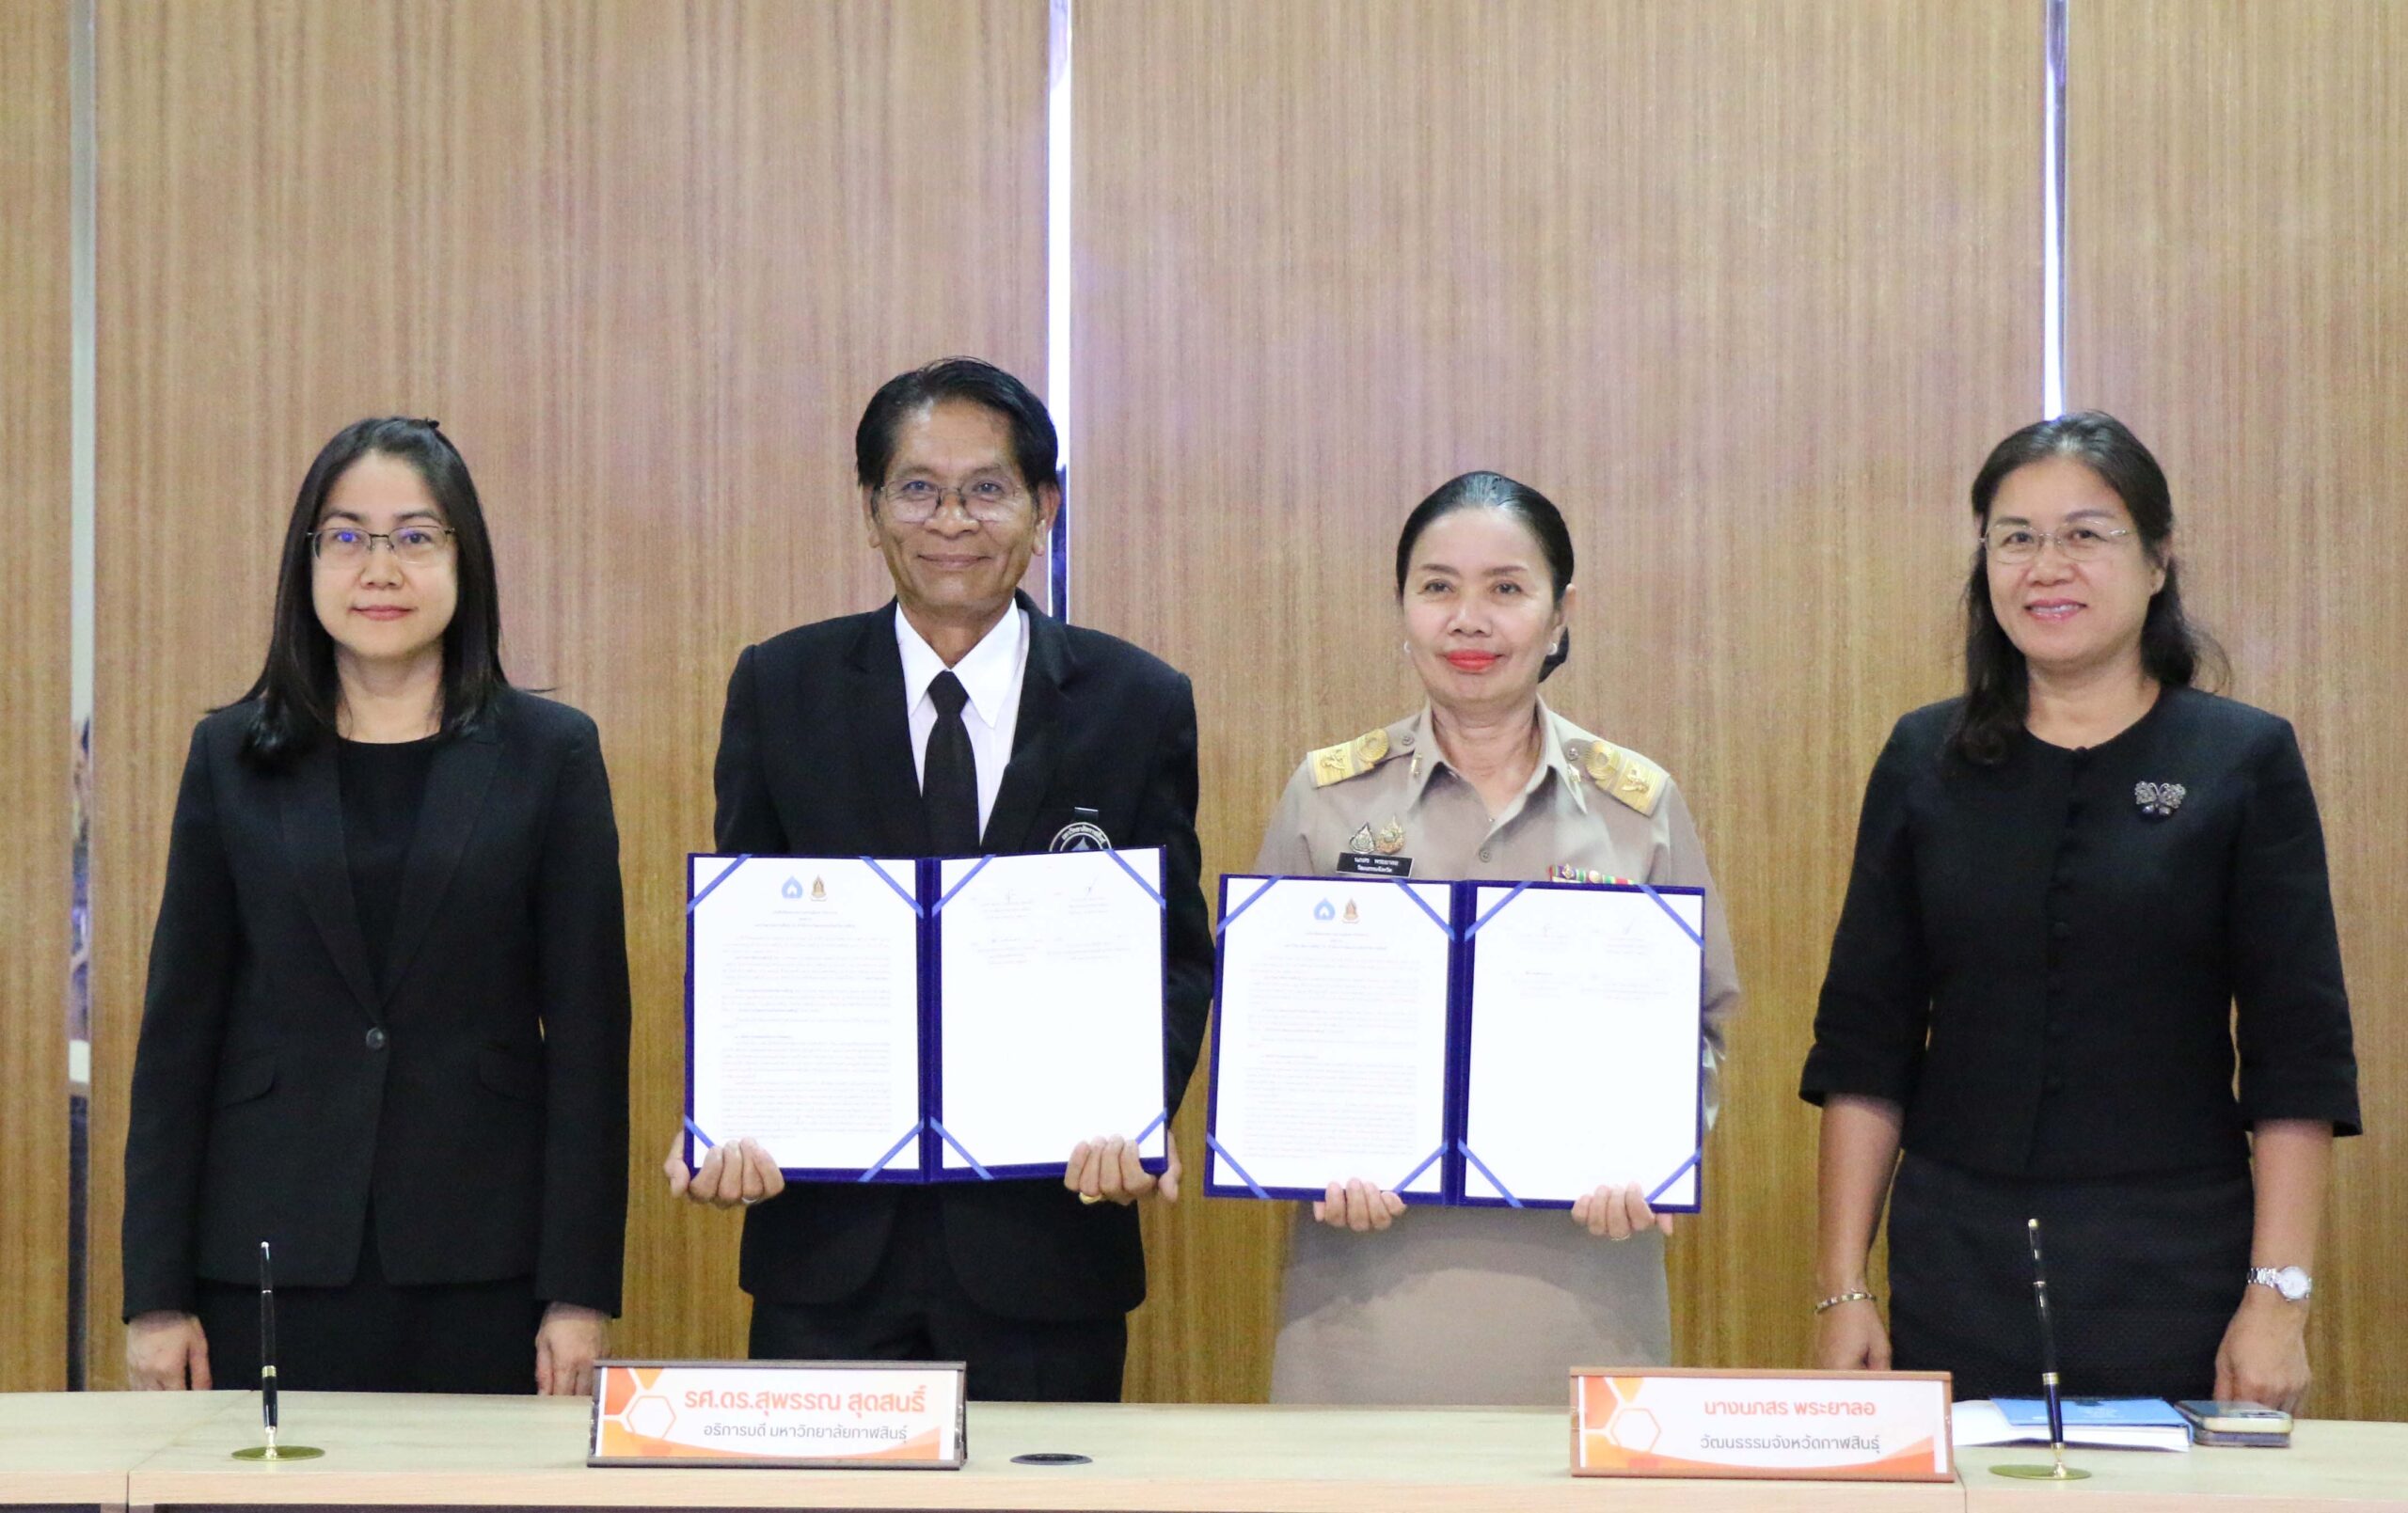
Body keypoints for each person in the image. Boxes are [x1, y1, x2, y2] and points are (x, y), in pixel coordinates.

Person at [667, 357, 1212, 1402]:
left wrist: (1136, 1114)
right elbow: (746, 945)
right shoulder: (782, 687)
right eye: (917, 488)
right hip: (826, 1246)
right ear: (871, 509)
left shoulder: (1135, 701)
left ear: (1044, 507)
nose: (951, 520)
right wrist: (724, 1112)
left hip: (1049, 1242)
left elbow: (1176, 958)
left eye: (986, 488)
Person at [1801, 411, 2360, 1411]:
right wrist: (1842, 1286)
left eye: (2085, 534)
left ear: (2157, 559)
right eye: (2015, 537)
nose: (2046, 566)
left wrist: (2277, 1299)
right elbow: (1864, 1043)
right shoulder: (1922, 758)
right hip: (1955, 1256)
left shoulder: (2241, 759)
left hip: (2177, 1261)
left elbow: (2296, 1052)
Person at [122, 417, 631, 1395]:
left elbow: (589, 1040)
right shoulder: (231, 755)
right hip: (263, 1253)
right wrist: (156, 1294)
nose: (380, 568)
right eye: (348, 536)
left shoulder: (550, 754)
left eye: (415, 536)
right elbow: (178, 1034)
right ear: (307, 560)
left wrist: (577, 1293)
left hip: (485, 1257)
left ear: (464, 559)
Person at [1253, 470, 1740, 1406]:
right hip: (1362, 1303)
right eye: (1438, 586)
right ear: (1402, 611)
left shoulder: (1637, 807)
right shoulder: (1326, 799)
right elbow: (1271, 1029)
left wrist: (1655, 1149)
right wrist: (1306, 1148)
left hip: (1584, 1294)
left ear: (1560, 616)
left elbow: (1701, 1024)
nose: (1468, 619)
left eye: (1506, 588)